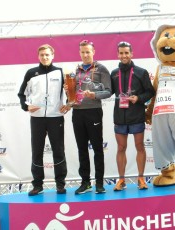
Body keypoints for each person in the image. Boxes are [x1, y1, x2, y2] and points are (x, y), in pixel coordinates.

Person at [18, 44, 69, 196]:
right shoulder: (31, 73)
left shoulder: (61, 72)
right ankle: (37, 185)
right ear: (38, 56)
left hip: (55, 117)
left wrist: (68, 105)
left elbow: (71, 92)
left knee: (58, 150)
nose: (45, 57)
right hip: (37, 119)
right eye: (42, 55)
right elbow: (22, 94)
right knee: (37, 151)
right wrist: (26, 107)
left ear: (53, 55)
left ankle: (60, 184)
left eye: (47, 55)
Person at [66, 40, 111, 195]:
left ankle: (99, 183)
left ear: (93, 52)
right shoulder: (76, 71)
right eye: (83, 52)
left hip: (93, 112)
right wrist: (68, 92)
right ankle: (85, 183)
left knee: (98, 149)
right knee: (82, 149)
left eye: (88, 52)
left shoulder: (101, 69)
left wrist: (94, 95)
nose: (85, 55)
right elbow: (73, 94)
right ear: (80, 53)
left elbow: (109, 91)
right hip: (77, 112)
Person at [110, 41, 155, 191]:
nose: (124, 56)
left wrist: (139, 98)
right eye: (121, 53)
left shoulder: (141, 72)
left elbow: (150, 92)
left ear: (131, 54)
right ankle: (121, 180)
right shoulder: (114, 73)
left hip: (136, 115)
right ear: (118, 54)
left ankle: (141, 178)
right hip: (120, 116)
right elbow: (108, 91)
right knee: (121, 147)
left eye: (126, 53)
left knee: (139, 146)